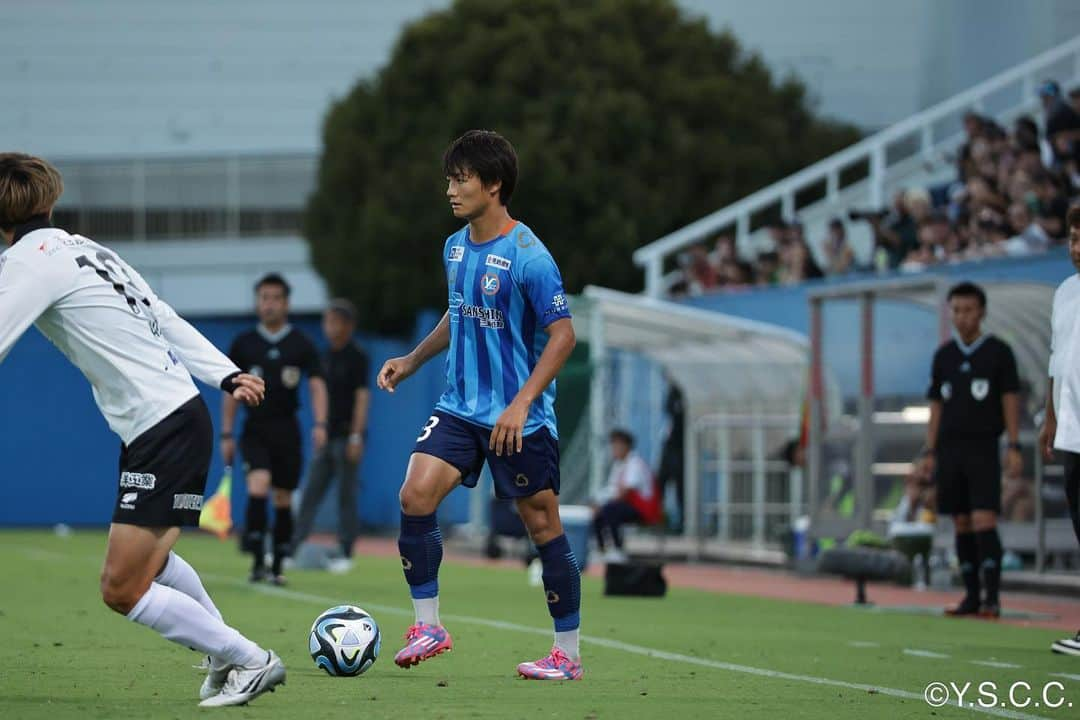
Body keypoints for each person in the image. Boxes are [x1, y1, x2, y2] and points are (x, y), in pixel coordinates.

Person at [0, 153, 284, 707]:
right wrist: (224, 373)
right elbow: (163, 313)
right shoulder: (86, 248)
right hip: (171, 418)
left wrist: (224, 373)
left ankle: (251, 659)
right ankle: (226, 655)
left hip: (163, 427)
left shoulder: (26, 261)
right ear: (51, 202)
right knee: (149, 562)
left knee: (122, 588)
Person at [376, 130, 581, 680]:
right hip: (459, 407)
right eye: (449, 178)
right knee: (415, 494)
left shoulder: (530, 257)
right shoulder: (454, 246)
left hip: (520, 418)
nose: (451, 188)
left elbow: (563, 337)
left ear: (494, 185)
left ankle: (568, 654)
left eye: (461, 178)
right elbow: (458, 311)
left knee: (542, 526)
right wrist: (414, 359)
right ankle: (428, 626)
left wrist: (521, 403)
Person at [921, 281, 1021, 619]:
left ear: (982, 312)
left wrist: (1014, 444)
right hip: (949, 450)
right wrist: (929, 451)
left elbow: (1010, 399)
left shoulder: (998, 352)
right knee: (960, 521)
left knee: (983, 519)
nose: (962, 317)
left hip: (982, 446)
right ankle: (971, 596)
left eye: (968, 310)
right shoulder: (943, 356)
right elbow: (935, 406)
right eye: (956, 310)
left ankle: (992, 598)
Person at [221, 273, 328, 585]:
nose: (269, 304)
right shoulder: (244, 344)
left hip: (287, 430)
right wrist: (226, 432)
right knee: (258, 486)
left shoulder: (301, 344)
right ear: (258, 302)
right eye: (264, 298)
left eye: (275, 298)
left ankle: (278, 563)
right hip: (255, 429)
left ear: (286, 303)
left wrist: (320, 423)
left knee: (282, 497)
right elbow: (230, 391)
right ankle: (256, 560)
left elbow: (317, 384)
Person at [292, 298, 371, 572]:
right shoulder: (322, 357)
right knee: (311, 491)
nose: (329, 327)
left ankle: (345, 552)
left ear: (348, 325)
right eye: (327, 321)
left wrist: (356, 436)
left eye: (335, 321)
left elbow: (362, 397)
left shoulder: (357, 356)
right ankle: (293, 546)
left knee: (346, 496)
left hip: (347, 436)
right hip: (326, 436)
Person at [1039, 205, 1080, 656]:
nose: (1077, 248)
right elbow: (1057, 359)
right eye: (1072, 238)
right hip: (1071, 432)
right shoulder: (1065, 292)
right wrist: (1050, 418)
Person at [592, 429, 661, 562]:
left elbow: (625, 492)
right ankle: (602, 550)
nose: (614, 449)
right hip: (626, 506)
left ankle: (618, 550)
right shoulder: (618, 465)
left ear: (626, 446)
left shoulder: (635, 464)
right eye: (613, 446)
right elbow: (611, 489)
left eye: (617, 446)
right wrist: (597, 503)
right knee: (598, 512)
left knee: (611, 509)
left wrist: (603, 504)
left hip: (644, 509)